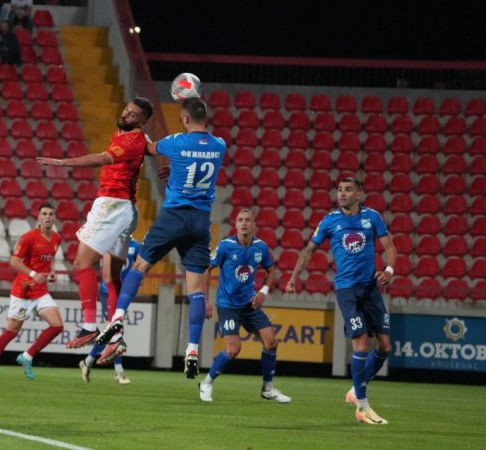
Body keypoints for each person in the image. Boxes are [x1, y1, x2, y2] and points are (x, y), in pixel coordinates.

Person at [93, 98, 225, 378]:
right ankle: (192, 349)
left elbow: (149, 148)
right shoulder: (219, 145)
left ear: (185, 119)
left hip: (173, 216)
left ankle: (118, 318)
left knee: (140, 266)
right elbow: (196, 164)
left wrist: (140, 129)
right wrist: (176, 169)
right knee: (196, 289)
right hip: (200, 222)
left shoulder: (176, 141)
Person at [36, 97, 153, 349]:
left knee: (82, 262)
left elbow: (102, 158)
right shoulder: (131, 135)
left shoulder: (133, 140)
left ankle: (89, 326)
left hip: (112, 204)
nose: (126, 115)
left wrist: (63, 163)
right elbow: (152, 147)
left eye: (133, 114)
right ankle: (116, 333)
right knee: (111, 276)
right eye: (126, 110)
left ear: (142, 121)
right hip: (127, 208)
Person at [286, 177, 397, 425]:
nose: (342, 194)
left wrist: (389, 270)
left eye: (348, 190)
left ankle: (356, 389)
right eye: (339, 190)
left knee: (385, 347)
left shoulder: (372, 217)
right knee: (361, 346)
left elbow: (390, 248)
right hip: (347, 291)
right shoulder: (329, 221)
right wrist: (294, 277)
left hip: (371, 288)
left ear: (359, 194)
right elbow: (309, 251)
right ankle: (362, 406)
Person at [198, 209, 291, 403]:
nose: (244, 223)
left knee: (271, 342)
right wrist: (205, 300)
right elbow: (207, 269)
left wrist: (263, 291)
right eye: (240, 220)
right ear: (236, 224)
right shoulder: (225, 246)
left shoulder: (260, 247)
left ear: (254, 224)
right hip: (228, 306)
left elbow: (271, 269)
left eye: (248, 220)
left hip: (250, 304)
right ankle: (206, 383)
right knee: (233, 349)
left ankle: (268, 389)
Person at [0, 203, 64, 386]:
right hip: (23, 290)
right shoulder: (29, 237)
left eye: (51, 214)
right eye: (44, 214)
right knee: (11, 332)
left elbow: (51, 259)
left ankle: (27, 356)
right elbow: (14, 261)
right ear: (39, 217)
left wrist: (52, 272)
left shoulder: (57, 238)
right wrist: (33, 274)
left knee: (57, 326)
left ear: (54, 218)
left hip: (40, 290)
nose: (48, 217)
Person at [79, 239, 140, 384]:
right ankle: (119, 372)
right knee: (115, 330)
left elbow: (140, 266)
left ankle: (88, 361)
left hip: (122, 293)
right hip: (107, 292)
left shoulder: (134, 245)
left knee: (112, 331)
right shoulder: (109, 241)